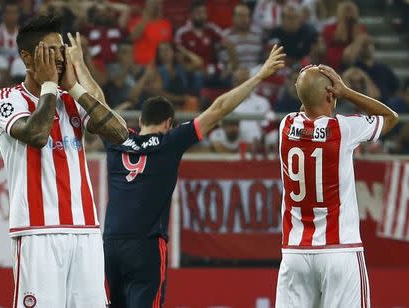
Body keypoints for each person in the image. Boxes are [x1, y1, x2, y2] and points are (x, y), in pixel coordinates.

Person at [103, 45, 285, 307]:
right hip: (146, 247)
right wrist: (259, 76)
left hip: (111, 243)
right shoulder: (170, 141)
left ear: (140, 119)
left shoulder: (117, 138)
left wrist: (79, 70)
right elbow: (219, 108)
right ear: (168, 123)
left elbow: (97, 103)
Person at [0, 15, 128, 307]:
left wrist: (76, 87)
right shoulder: (6, 99)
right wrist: (51, 86)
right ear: (28, 58)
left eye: (61, 50)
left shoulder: (71, 98)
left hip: (86, 230)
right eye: (50, 51)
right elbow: (36, 134)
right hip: (37, 232)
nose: (60, 58)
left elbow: (118, 133)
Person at [275, 64, 399, 308]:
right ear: (330, 95)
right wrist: (346, 91)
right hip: (340, 251)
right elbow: (390, 118)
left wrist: (313, 87)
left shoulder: (286, 126)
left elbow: (307, 102)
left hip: (295, 254)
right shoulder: (342, 129)